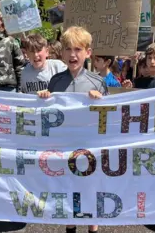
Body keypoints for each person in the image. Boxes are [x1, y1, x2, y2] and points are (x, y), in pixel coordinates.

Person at [37, 26, 107, 233]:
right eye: (68, 49)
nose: (72, 54)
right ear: (62, 53)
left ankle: (92, 229)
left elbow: (110, 116)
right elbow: (48, 114)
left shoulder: (98, 82)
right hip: (64, 146)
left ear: (88, 53)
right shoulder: (56, 81)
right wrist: (43, 99)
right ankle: (70, 227)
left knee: (90, 189)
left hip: (90, 146)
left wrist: (101, 100)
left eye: (78, 49)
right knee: (68, 189)